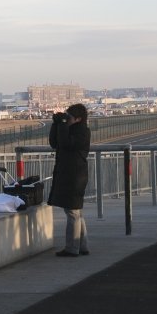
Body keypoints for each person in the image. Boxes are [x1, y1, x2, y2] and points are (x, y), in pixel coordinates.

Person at [47, 103, 91, 257]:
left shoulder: (82, 132)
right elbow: (54, 143)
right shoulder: (70, 129)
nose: (67, 119)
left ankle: (72, 248)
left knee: (72, 211)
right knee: (76, 211)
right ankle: (82, 246)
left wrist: (63, 125)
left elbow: (66, 143)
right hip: (69, 174)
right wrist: (56, 123)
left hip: (75, 175)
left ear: (78, 119)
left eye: (69, 117)